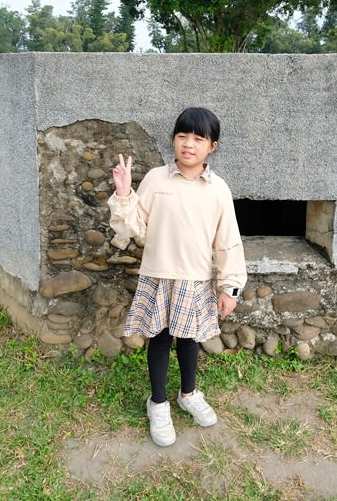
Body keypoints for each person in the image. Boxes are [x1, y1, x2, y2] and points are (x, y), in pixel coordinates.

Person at [108, 107, 246, 447]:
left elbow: (228, 240)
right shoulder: (156, 179)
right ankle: (158, 403)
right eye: (182, 136)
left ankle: (188, 393)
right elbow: (131, 228)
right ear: (173, 139)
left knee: (189, 339)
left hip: (196, 279)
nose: (188, 144)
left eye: (199, 138)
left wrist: (230, 288)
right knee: (159, 338)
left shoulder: (217, 189)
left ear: (212, 146)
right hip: (159, 276)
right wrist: (124, 193)